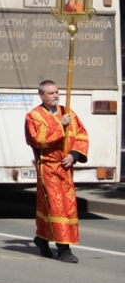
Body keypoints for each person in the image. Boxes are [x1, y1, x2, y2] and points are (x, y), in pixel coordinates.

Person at [25, 80, 88, 263]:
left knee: (68, 207)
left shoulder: (67, 111)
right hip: (49, 168)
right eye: (51, 93)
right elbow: (37, 139)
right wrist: (59, 125)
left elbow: (82, 135)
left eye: (57, 92)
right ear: (42, 95)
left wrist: (74, 155)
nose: (55, 96)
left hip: (66, 168)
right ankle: (63, 249)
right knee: (55, 206)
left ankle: (42, 239)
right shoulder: (34, 116)